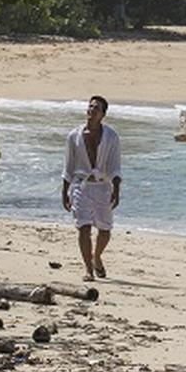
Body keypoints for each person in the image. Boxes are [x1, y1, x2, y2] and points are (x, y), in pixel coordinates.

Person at [60, 95, 122, 280]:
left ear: (102, 114)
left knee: (105, 230)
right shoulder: (74, 136)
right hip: (81, 186)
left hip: (103, 186)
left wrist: (116, 189)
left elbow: (115, 165)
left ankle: (97, 257)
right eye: (90, 106)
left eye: (96, 108)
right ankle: (88, 269)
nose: (91, 110)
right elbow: (68, 166)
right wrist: (65, 192)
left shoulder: (111, 136)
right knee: (83, 228)